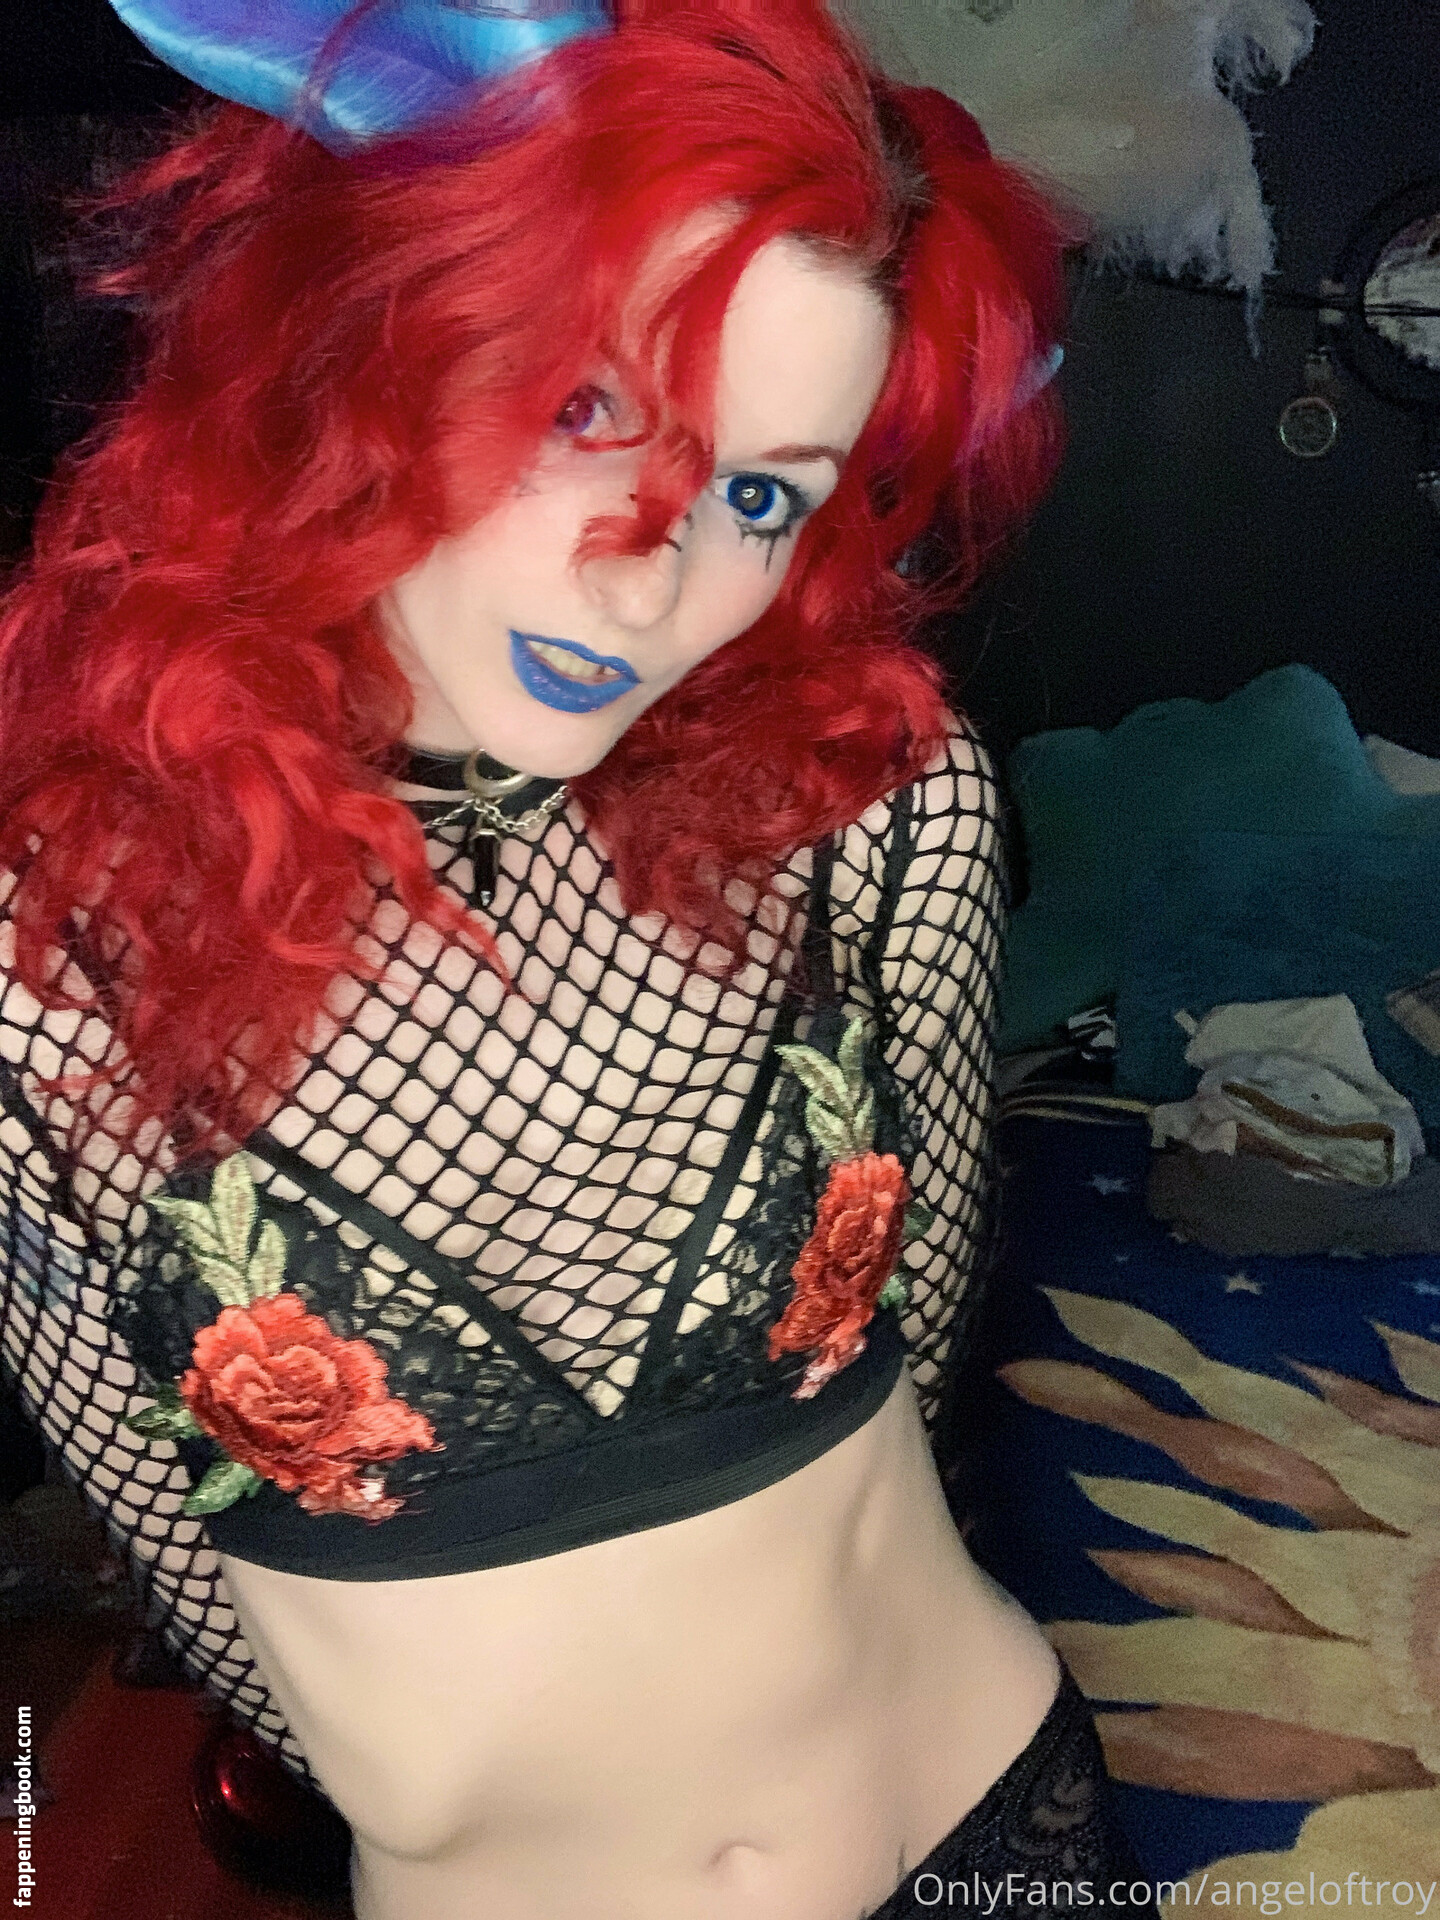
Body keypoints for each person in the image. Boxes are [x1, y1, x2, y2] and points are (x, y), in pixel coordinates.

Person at [0, 3, 1149, 1915]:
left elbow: (920, 1353)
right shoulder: (56, 942)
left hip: (988, 1824)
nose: (650, 573)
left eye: (762, 493)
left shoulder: (870, 809)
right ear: (375, 342)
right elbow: (183, 1572)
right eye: (589, 413)